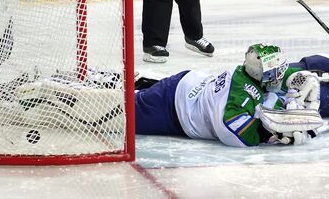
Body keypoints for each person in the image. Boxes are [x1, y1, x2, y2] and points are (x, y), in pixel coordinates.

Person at [134, 43, 329, 147]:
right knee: (121, 113)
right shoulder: (240, 98)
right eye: (279, 71)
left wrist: (298, 76)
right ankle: (123, 84)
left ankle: (141, 83)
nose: (282, 73)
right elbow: (231, 132)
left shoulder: (251, 73)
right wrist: (268, 133)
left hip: (188, 87)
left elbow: (278, 76)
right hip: (169, 110)